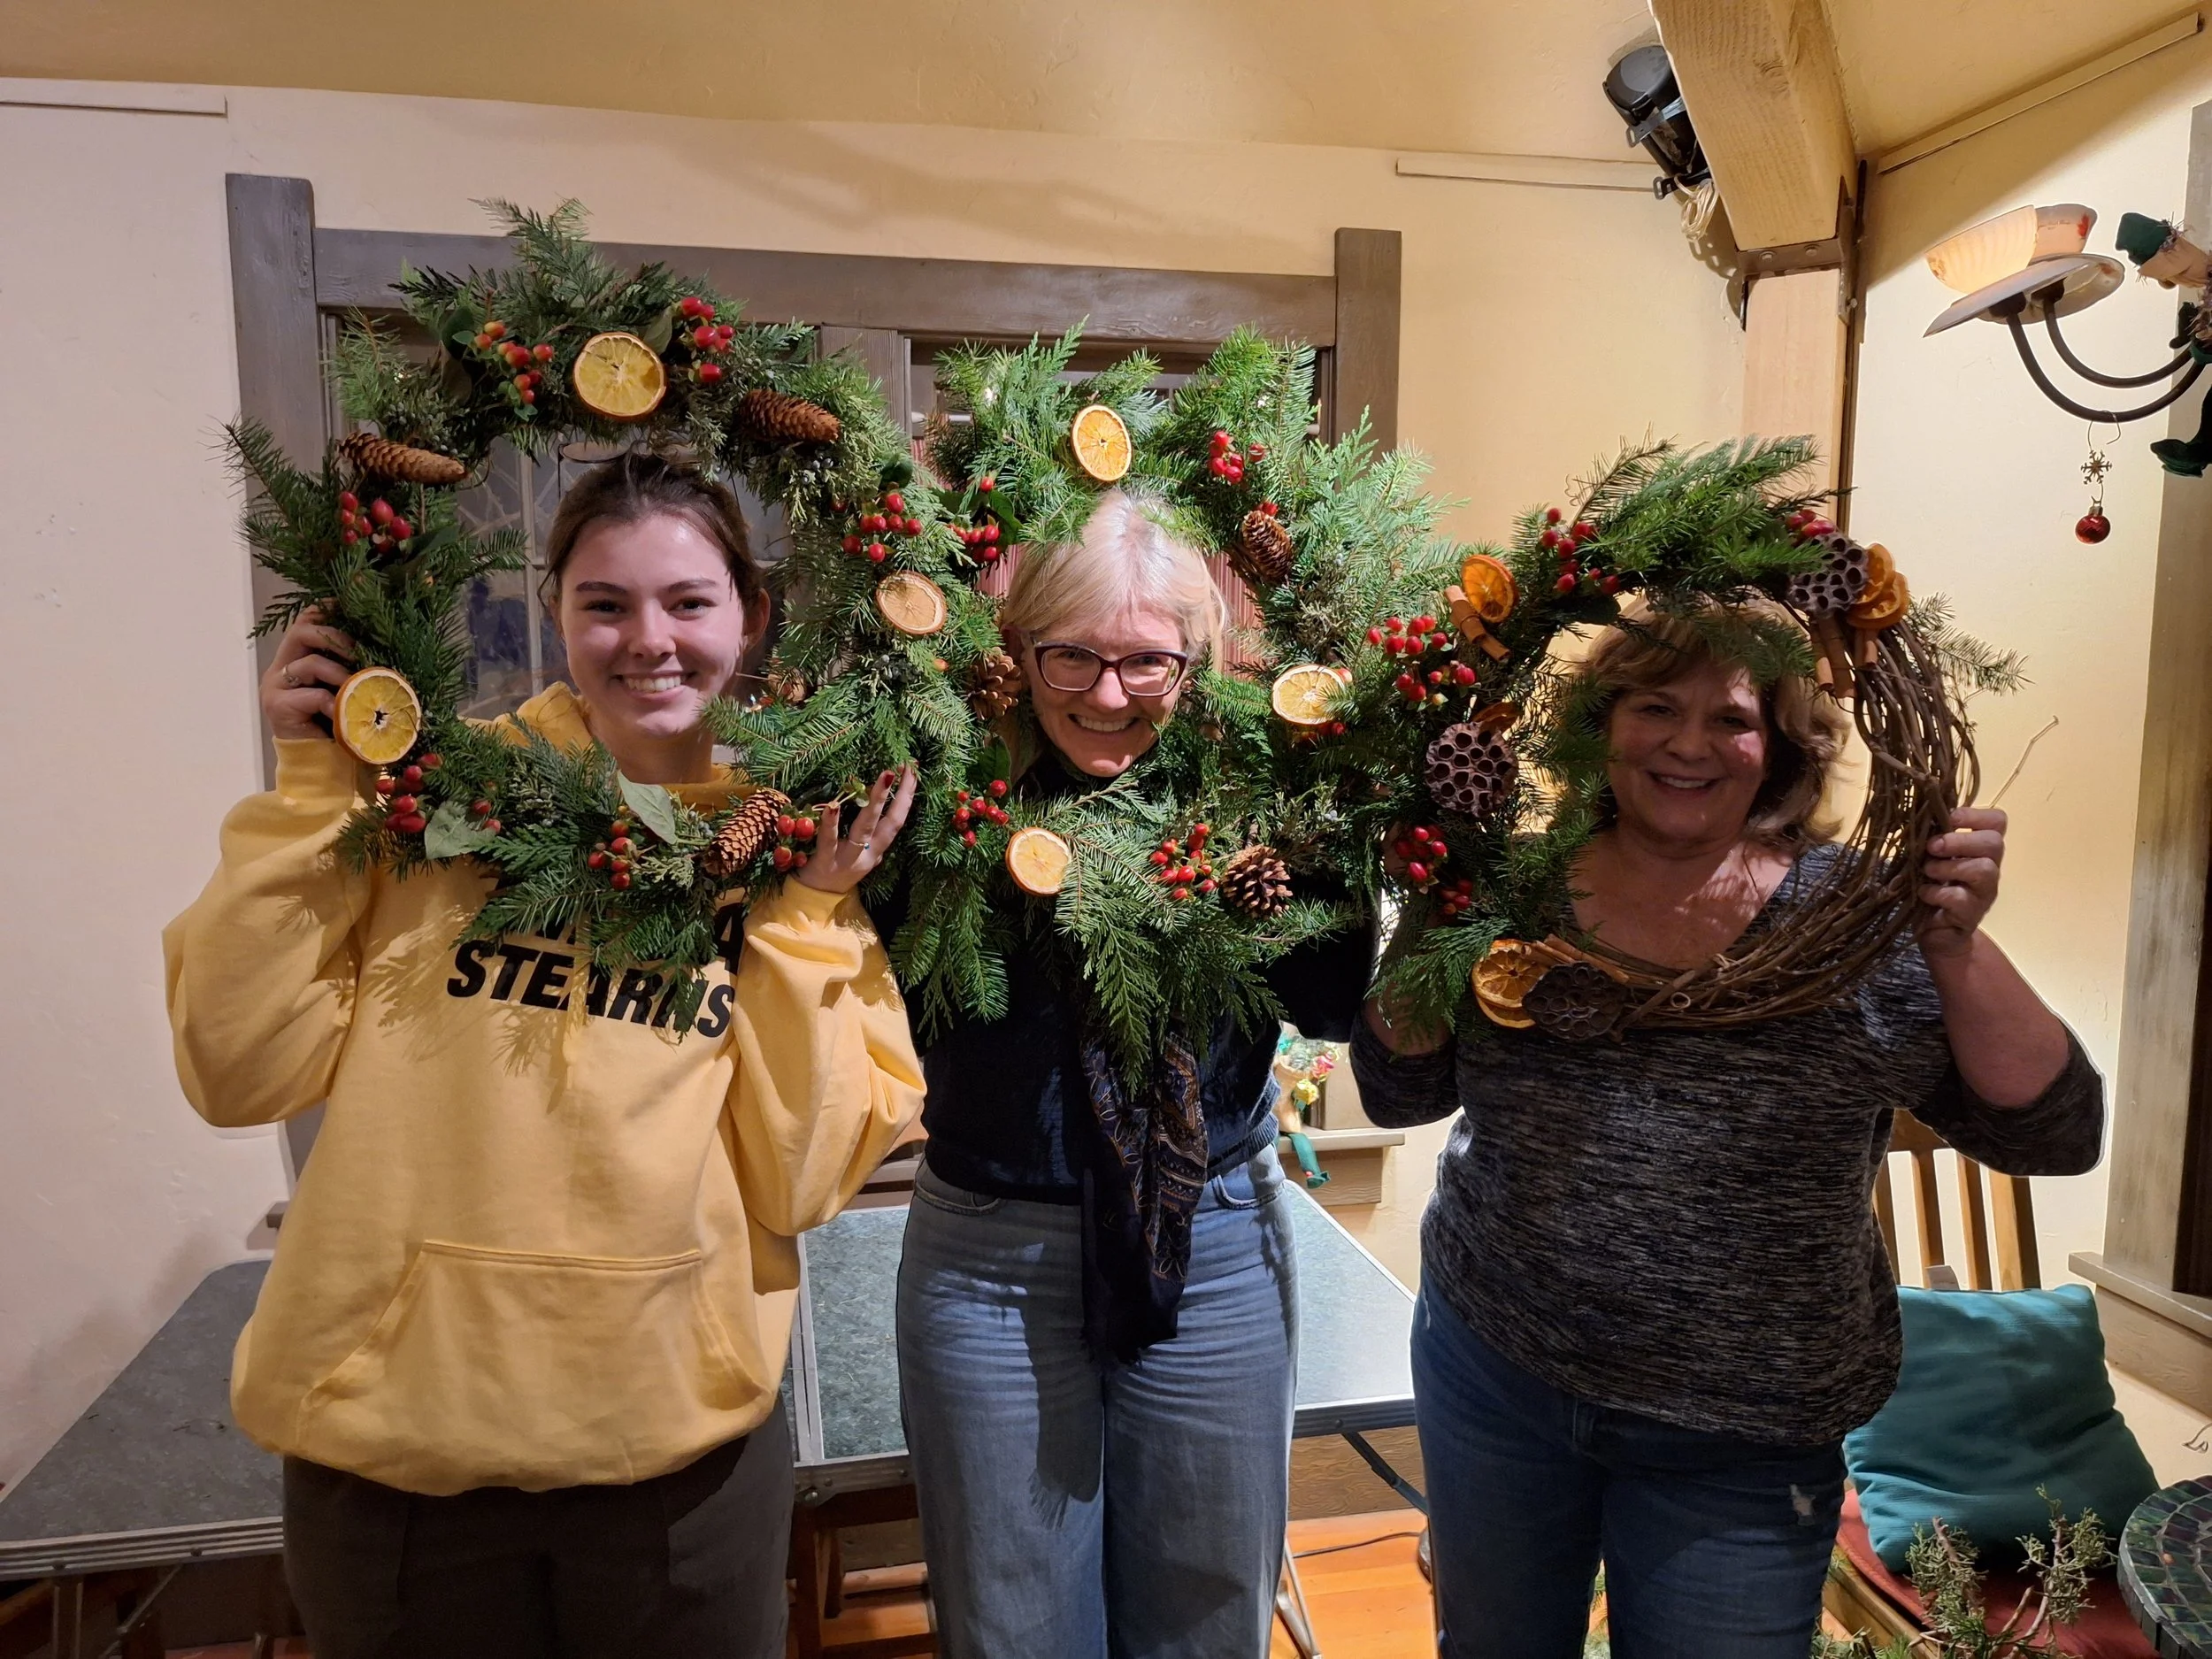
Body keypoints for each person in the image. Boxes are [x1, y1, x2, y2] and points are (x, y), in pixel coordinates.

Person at [164, 450, 924, 1659]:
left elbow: (804, 1174)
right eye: (605, 603)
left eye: (688, 601)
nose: (647, 641)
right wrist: (317, 781)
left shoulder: (791, 853)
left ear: (752, 613)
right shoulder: (430, 803)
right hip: (396, 1463)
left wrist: (802, 915)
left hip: (679, 1467)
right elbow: (236, 1069)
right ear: (558, 610)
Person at [1351, 600, 2106, 1659]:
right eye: (1655, 706)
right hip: (1498, 1376)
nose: (1689, 743)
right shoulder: (1514, 893)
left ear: (1782, 750)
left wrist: (1955, 942)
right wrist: (1433, 912)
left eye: (1733, 719)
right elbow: (1397, 1090)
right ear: (1601, 724)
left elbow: (2055, 1135)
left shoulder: (1847, 923)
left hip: (1743, 1432)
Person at [891, 489, 1370, 1659]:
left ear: (1196, 659)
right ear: (1019, 649)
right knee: (1011, 1619)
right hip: (990, 1257)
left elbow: (1328, 1003)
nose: (1108, 695)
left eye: (1147, 662)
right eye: (1073, 656)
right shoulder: (946, 788)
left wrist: (1336, 835)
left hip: (1210, 1244)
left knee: (1209, 1610)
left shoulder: (1254, 793)